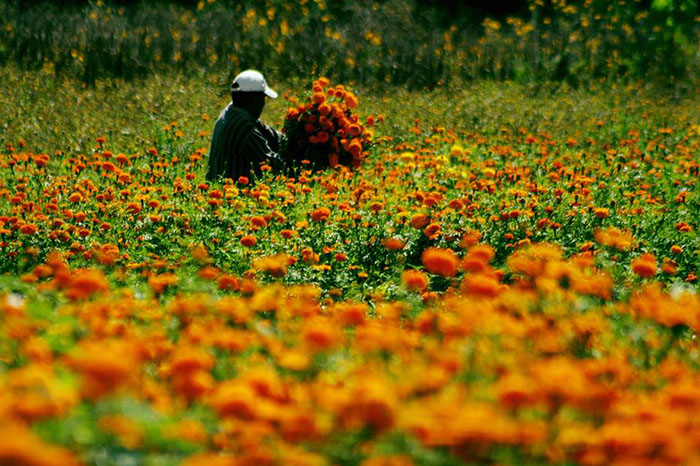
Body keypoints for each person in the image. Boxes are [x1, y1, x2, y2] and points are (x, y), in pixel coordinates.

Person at [206, 70, 284, 182]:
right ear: (253, 99)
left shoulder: (231, 111)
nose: (263, 104)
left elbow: (272, 135)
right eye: (263, 98)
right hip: (231, 192)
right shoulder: (244, 128)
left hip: (219, 188)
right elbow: (271, 165)